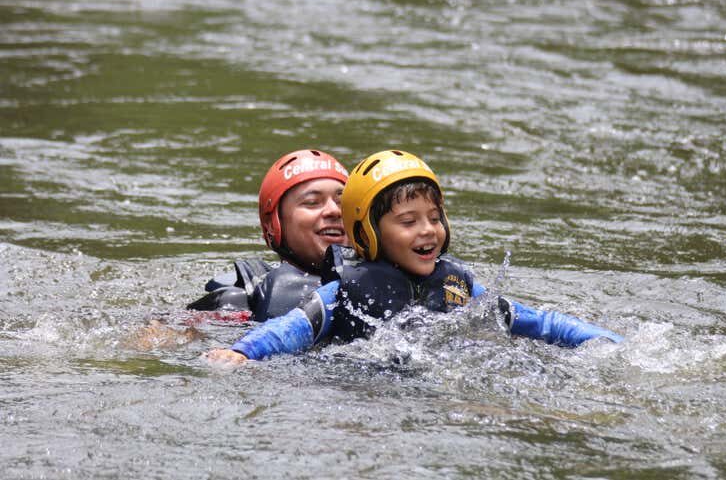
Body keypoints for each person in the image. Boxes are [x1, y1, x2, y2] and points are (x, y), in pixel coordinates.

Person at [207, 150, 623, 364]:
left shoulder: (456, 283)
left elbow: (538, 322)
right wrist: (242, 352)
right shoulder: (338, 294)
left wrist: (603, 340)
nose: (426, 230)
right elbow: (289, 331)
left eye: (434, 217)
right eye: (408, 221)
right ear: (368, 231)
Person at [187, 148, 350, 321]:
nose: (334, 211)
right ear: (273, 225)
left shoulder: (377, 282)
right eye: (312, 202)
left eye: (343, 202)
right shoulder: (237, 305)